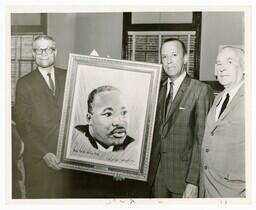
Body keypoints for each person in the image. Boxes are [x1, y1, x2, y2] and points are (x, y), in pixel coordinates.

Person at [148, 38, 214, 198]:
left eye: (174, 55)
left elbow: (201, 141)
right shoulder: (157, 89)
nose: (169, 61)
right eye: (164, 57)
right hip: (157, 176)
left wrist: (193, 182)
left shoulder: (200, 90)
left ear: (185, 58)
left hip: (183, 179)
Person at [13, 35, 70, 198]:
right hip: (39, 162)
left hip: (69, 162)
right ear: (33, 53)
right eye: (39, 49)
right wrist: (44, 153)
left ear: (56, 52)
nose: (43, 53)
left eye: (48, 49)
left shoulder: (69, 75)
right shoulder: (24, 84)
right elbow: (24, 126)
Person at [199, 46, 245, 198]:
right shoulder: (219, 97)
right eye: (219, 63)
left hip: (235, 193)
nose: (222, 68)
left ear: (244, 67)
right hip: (209, 189)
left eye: (229, 62)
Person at [72, 85, 135, 153]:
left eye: (124, 112)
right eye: (108, 114)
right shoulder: (74, 139)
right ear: (89, 118)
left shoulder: (132, 147)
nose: (119, 122)